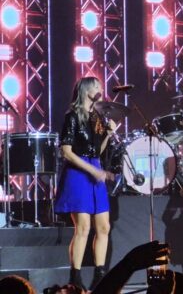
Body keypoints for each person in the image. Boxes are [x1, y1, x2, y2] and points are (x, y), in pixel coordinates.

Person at [54, 76, 117, 289]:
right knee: (83, 227)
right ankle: (75, 277)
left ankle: (100, 275)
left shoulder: (96, 117)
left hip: (94, 170)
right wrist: (93, 170)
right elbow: (66, 152)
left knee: (104, 226)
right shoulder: (72, 116)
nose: (100, 89)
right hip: (79, 174)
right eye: (97, 86)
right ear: (86, 90)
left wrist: (108, 134)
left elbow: (97, 151)